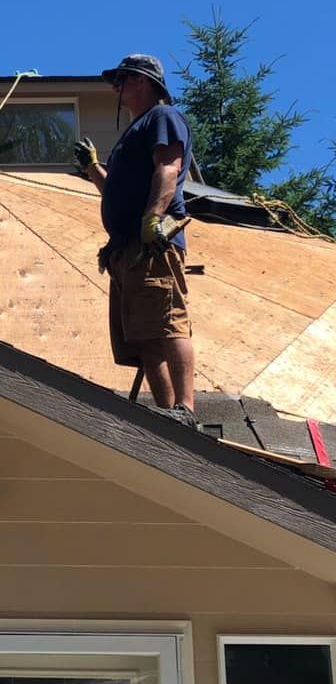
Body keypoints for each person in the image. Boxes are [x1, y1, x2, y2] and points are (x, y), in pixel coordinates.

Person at [74, 54, 195, 417]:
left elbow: (169, 166)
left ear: (143, 80)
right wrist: (93, 168)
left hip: (152, 241)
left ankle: (185, 408)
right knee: (143, 337)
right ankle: (167, 417)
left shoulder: (163, 117)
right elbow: (115, 191)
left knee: (167, 322)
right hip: (127, 249)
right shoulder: (134, 131)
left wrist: (154, 219)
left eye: (121, 80)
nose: (116, 88)